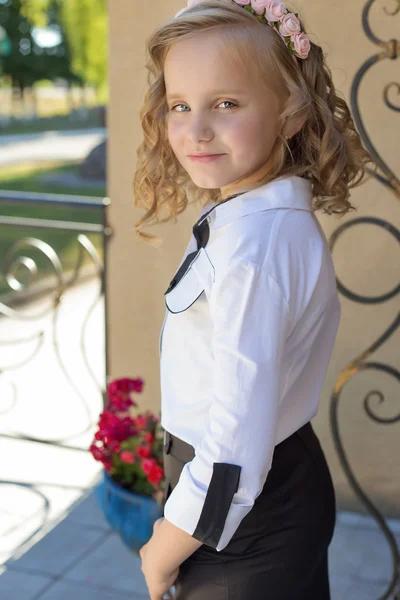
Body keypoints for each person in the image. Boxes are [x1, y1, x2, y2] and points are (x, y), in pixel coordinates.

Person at [133, 0, 373, 598]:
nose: (196, 128)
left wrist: (165, 544)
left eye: (227, 104)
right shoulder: (257, 219)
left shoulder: (254, 249)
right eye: (181, 105)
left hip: (242, 516)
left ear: (290, 113)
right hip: (276, 485)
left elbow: (236, 442)